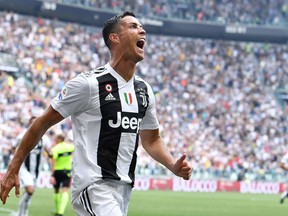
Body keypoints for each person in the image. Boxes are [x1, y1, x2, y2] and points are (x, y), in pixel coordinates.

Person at [0, 11, 192, 216]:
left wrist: (172, 164)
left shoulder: (143, 91)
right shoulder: (89, 84)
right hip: (93, 186)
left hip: (124, 188)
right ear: (115, 37)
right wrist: (13, 168)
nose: (142, 29)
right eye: (133, 26)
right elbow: (42, 122)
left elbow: (152, 139)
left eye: (141, 26)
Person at [11, 116, 51, 216]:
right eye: (33, 123)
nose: (35, 124)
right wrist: (17, 159)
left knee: (29, 194)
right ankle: (22, 213)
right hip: (24, 169)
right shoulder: (21, 136)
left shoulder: (44, 138)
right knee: (30, 190)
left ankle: (21, 213)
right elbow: (13, 147)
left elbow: (48, 151)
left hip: (36, 171)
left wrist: (50, 155)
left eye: (36, 122)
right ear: (30, 124)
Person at [49, 134, 74, 216]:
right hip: (67, 170)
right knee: (65, 190)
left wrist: (52, 174)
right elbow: (75, 150)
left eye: (56, 139)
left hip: (57, 171)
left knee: (56, 190)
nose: (55, 140)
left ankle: (57, 210)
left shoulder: (55, 148)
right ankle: (61, 211)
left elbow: (53, 161)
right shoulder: (70, 147)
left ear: (59, 139)